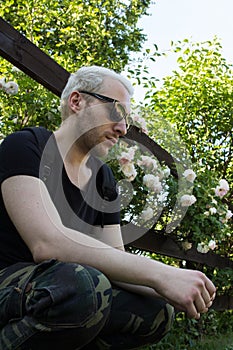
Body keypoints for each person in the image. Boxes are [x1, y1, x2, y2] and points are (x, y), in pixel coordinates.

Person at [0, 66, 216, 350]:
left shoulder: (104, 179)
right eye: (115, 112)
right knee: (83, 287)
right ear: (77, 101)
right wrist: (160, 273)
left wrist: (168, 286)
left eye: (126, 119)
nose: (123, 128)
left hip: (62, 290)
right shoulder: (27, 145)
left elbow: (115, 258)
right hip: (11, 285)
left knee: (155, 310)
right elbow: (47, 243)